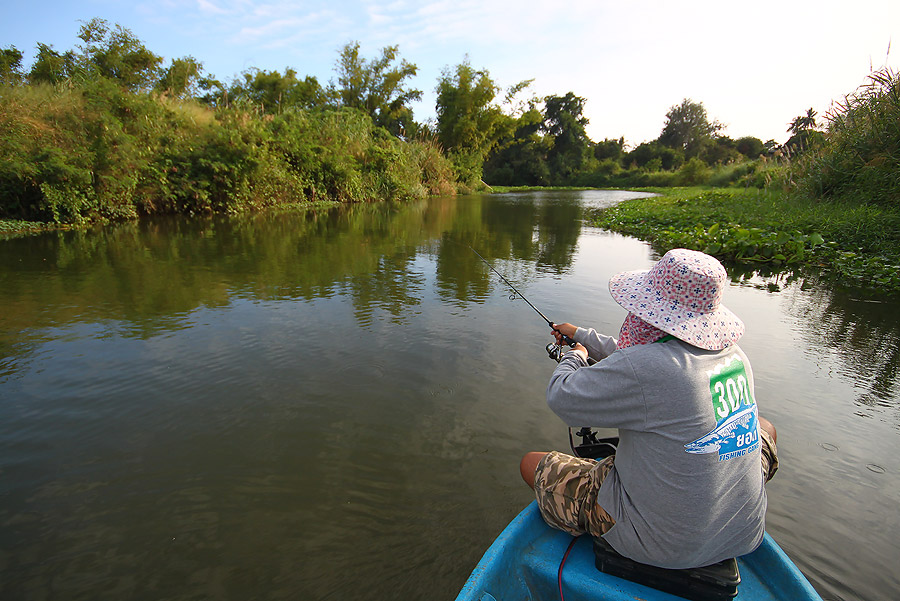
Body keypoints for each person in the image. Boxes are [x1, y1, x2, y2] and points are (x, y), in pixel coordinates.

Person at [519, 248, 779, 570]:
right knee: (764, 427)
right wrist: (580, 335)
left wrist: (577, 355)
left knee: (531, 464)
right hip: (743, 535)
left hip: (660, 546)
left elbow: (562, 396)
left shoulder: (650, 369)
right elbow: (641, 363)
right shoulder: (734, 356)